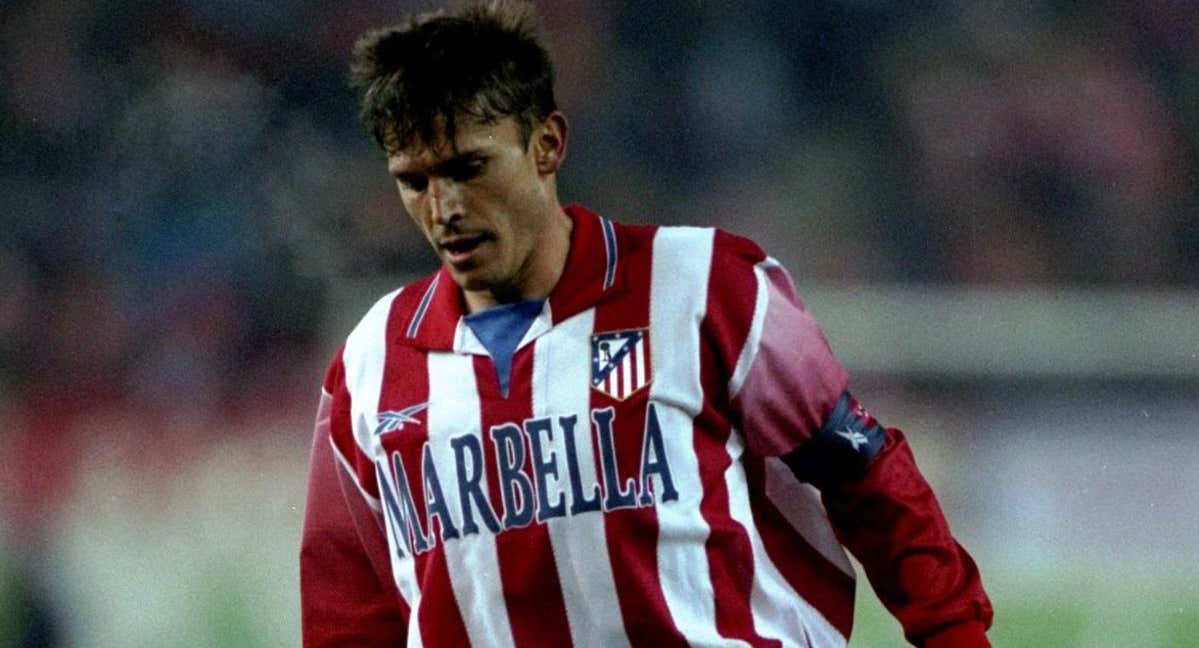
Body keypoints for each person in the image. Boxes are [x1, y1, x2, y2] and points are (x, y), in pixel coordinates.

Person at [299, 2, 993, 646]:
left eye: (469, 167)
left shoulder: (704, 289)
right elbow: (348, 604)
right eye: (414, 180)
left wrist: (956, 634)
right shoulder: (368, 367)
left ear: (547, 144)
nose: (444, 205)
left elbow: (865, 476)